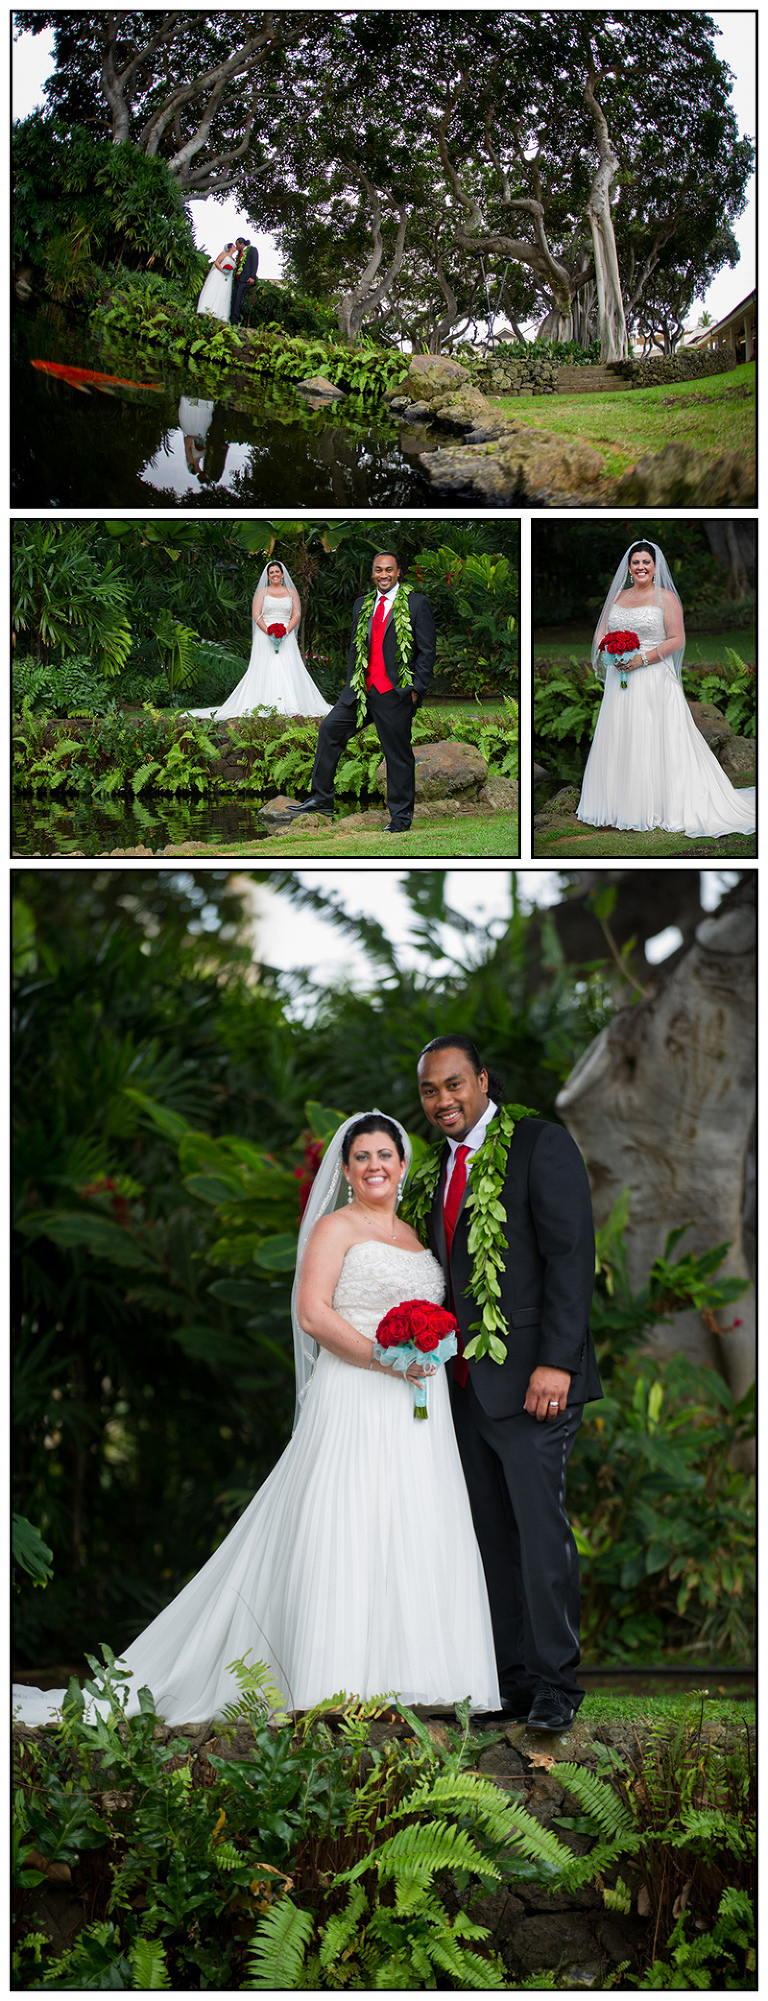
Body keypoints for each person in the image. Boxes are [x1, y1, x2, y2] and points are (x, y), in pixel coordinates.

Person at [12, 1113, 499, 1728]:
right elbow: (314, 1315)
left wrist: (425, 1353)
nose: (375, 1165)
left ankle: (414, 1675)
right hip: (355, 1392)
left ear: (403, 1164)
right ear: (346, 1170)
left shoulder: (416, 1236)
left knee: (410, 1524)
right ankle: (336, 1679)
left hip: (416, 1410)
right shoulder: (334, 1228)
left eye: (385, 1154)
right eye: (362, 1157)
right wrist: (383, 1358)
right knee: (348, 1524)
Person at [416, 1036, 601, 1732]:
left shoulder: (537, 1144)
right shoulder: (437, 1167)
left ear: (484, 1079)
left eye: (455, 1084)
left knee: (539, 1529)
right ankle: (512, 1682)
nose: (443, 1100)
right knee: (491, 1536)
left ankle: (557, 1684)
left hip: (533, 1382)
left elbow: (569, 1254)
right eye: (431, 1090)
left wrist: (556, 1360)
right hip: (464, 1386)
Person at [577, 539, 756, 836]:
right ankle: (618, 806)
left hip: (652, 678)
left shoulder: (666, 599)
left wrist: (641, 659)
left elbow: (676, 640)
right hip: (619, 677)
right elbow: (601, 632)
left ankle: (657, 805)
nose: (641, 567)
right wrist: (611, 652)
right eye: (636, 563)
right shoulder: (618, 596)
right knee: (621, 735)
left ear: (655, 567)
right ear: (629, 568)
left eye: (646, 562)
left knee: (652, 737)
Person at [286, 551, 436, 834]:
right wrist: (350, 686)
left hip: (395, 693)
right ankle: (321, 799)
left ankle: (401, 818)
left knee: (397, 755)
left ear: (398, 572)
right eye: (379, 570)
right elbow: (356, 650)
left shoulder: (417, 604)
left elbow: (427, 652)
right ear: (372, 573)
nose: (383, 575)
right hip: (360, 692)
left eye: (389, 570)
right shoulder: (362, 605)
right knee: (329, 730)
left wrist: (416, 691)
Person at [188, 561, 330, 721]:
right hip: (265, 635)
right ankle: (267, 704)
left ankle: (292, 705)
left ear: (282, 574)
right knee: (269, 668)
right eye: (271, 572)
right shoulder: (262, 592)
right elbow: (257, 615)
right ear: (268, 576)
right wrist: (270, 632)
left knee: (287, 667)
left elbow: (296, 614)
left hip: (286, 634)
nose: (275, 574)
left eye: (277, 571)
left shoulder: (291, 592)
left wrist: (285, 632)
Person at [196, 244, 236, 322]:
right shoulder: (224, 254)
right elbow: (217, 262)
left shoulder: (233, 259)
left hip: (227, 278)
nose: (235, 248)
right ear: (230, 247)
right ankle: (207, 309)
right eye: (234, 246)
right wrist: (223, 270)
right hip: (219, 274)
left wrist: (228, 271)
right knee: (213, 290)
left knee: (223, 294)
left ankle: (218, 312)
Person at [230, 238, 259, 325]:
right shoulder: (239, 254)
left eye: (237, 245)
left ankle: (236, 321)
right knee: (234, 298)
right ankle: (231, 319)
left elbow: (255, 263)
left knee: (239, 299)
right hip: (238, 280)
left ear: (241, 244)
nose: (236, 247)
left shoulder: (252, 250)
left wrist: (252, 277)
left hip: (246, 279)